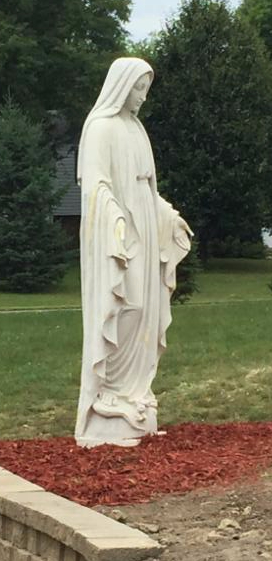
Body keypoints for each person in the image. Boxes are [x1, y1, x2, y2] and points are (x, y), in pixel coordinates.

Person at [75, 57, 192, 448]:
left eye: (146, 89)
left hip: (145, 221)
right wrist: (113, 218)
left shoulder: (137, 129)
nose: (143, 96)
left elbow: (146, 186)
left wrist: (167, 215)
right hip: (120, 227)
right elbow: (96, 185)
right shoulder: (100, 127)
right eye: (139, 88)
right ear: (121, 86)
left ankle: (133, 389)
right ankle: (108, 387)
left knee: (146, 308)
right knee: (127, 303)